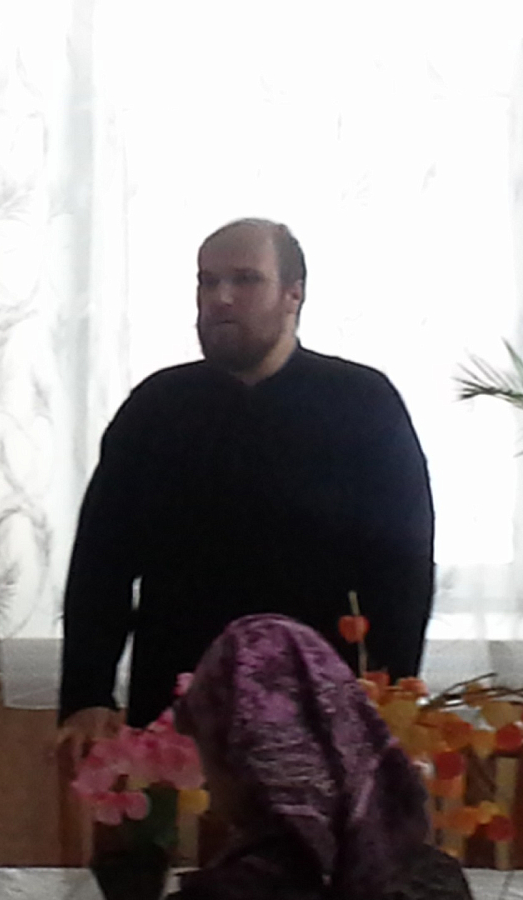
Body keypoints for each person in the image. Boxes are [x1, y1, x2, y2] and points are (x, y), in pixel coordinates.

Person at [58, 219, 435, 756]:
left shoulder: (362, 404)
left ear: (293, 294)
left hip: (321, 715)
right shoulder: (155, 409)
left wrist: (389, 700)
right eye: (207, 281)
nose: (221, 298)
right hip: (174, 715)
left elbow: (402, 570)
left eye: (245, 280)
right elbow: (102, 564)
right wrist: (87, 694)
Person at [172, 615, 471, 900]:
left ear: (242, 762)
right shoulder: (435, 876)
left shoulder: (223, 893)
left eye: (205, 748)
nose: (207, 782)